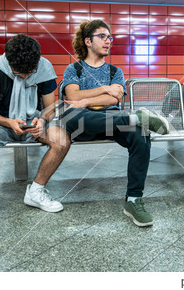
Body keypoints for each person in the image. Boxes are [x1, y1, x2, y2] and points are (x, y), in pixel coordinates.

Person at [61, 19, 170, 227]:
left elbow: (113, 100)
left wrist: (85, 100)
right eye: (102, 37)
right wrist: (103, 89)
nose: (108, 41)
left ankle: (133, 199)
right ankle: (134, 117)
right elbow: (73, 96)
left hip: (112, 120)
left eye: (109, 37)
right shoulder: (73, 69)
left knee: (141, 133)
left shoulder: (115, 72)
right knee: (74, 115)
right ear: (87, 41)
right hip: (83, 123)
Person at [0, 34, 70, 227]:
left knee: (62, 140)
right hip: (3, 122)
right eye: (18, 72)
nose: (24, 76)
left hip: (34, 121)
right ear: (9, 61)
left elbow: (50, 107)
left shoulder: (45, 68)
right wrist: (9, 122)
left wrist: (42, 120)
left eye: (29, 71)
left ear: (37, 62)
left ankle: (36, 191)